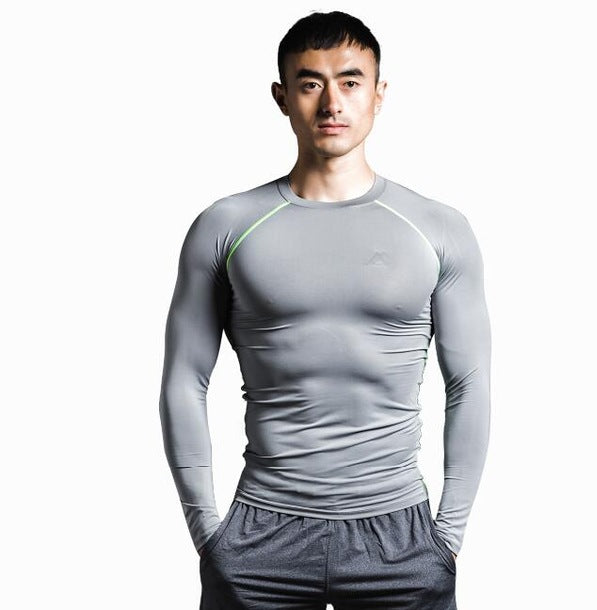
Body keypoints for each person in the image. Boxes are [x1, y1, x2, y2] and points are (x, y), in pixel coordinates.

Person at [159, 10, 491, 610]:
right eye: (310, 83)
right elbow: (185, 379)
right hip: (262, 527)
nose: (332, 102)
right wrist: (208, 534)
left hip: (401, 530)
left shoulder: (437, 228)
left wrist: (448, 539)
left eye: (350, 81)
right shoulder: (226, 225)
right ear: (282, 97)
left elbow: (469, 382)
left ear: (379, 94)